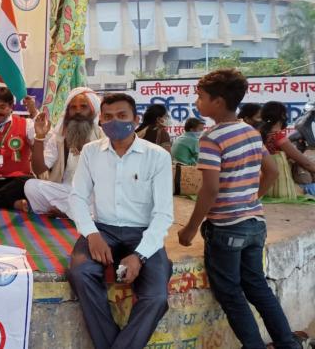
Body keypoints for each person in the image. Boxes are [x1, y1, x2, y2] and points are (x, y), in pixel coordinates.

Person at [178, 69, 302, 349]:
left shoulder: (211, 138)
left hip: (226, 229)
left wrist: (190, 228)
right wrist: (249, 199)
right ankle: (288, 344)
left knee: (231, 293)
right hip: (255, 224)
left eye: (200, 97)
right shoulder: (249, 131)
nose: (197, 102)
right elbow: (270, 172)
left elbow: (209, 189)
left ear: (218, 102)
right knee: (257, 287)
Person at [66, 93, 173, 349]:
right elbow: (77, 197)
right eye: (108, 117)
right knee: (80, 273)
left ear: (136, 119)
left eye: (122, 116)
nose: (115, 122)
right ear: (100, 120)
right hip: (103, 229)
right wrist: (92, 234)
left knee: (156, 297)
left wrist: (140, 255)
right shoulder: (91, 152)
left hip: (143, 232)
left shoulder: (157, 156)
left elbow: (163, 214)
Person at [19, 87, 103, 216]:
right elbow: (39, 169)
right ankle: (72, 211)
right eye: (73, 107)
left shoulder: (104, 136)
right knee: (31, 186)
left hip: (93, 193)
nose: (78, 111)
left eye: (83, 106)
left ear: (93, 110)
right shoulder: (59, 138)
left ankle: (66, 210)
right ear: (68, 111)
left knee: (105, 198)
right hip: (66, 191)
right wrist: (39, 137)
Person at [258, 101, 315, 198]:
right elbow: (306, 163)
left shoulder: (259, 134)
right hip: (278, 186)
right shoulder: (278, 137)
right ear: (283, 116)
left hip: (262, 184)